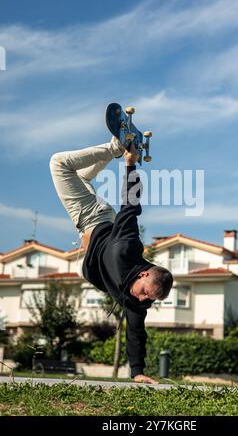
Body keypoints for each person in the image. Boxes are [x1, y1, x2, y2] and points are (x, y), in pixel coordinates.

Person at [49, 136, 173, 384]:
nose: (142, 299)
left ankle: (114, 148)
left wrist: (137, 372)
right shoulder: (129, 246)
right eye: (144, 292)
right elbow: (131, 204)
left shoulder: (136, 303)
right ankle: (115, 147)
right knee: (59, 163)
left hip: (88, 224)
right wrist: (130, 164)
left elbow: (137, 333)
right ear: (144, 274)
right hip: (92, 214)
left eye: (147, 299)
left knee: (81, 178)